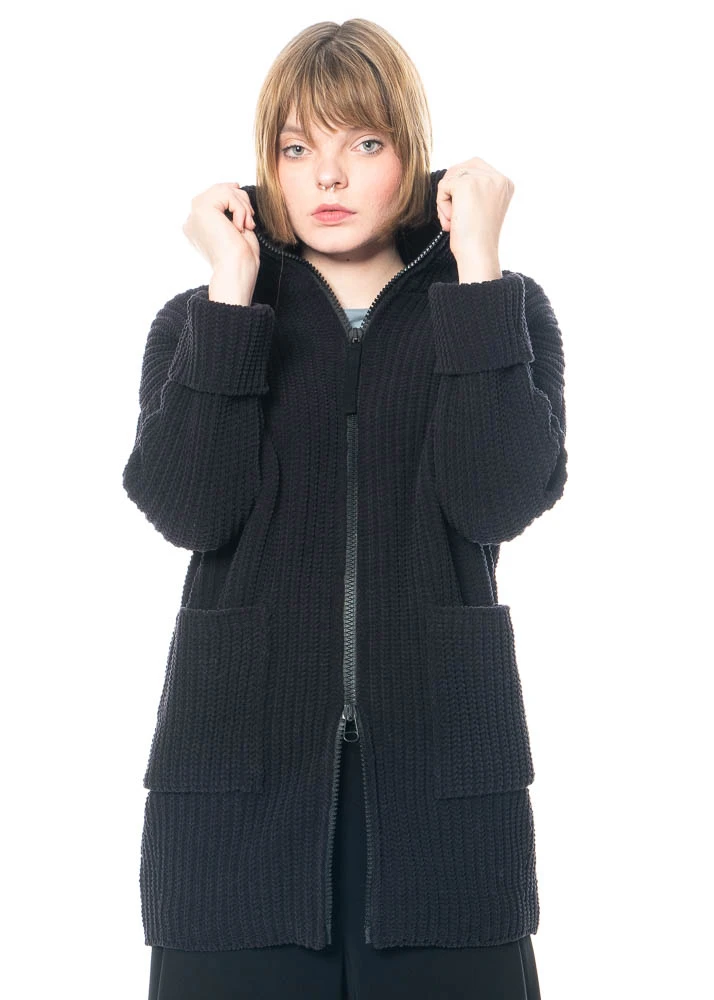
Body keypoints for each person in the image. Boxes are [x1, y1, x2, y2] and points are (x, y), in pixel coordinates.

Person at [124, 17, 568, 1000]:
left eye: (363, 142)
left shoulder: (500, 309)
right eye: (297, 148)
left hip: (445, 797)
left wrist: (478, 266)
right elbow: (191, 509)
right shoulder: (202, 323)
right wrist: (231, 296)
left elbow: (498, 496)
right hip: (237, 796)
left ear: (411, 153)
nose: (327, 175)